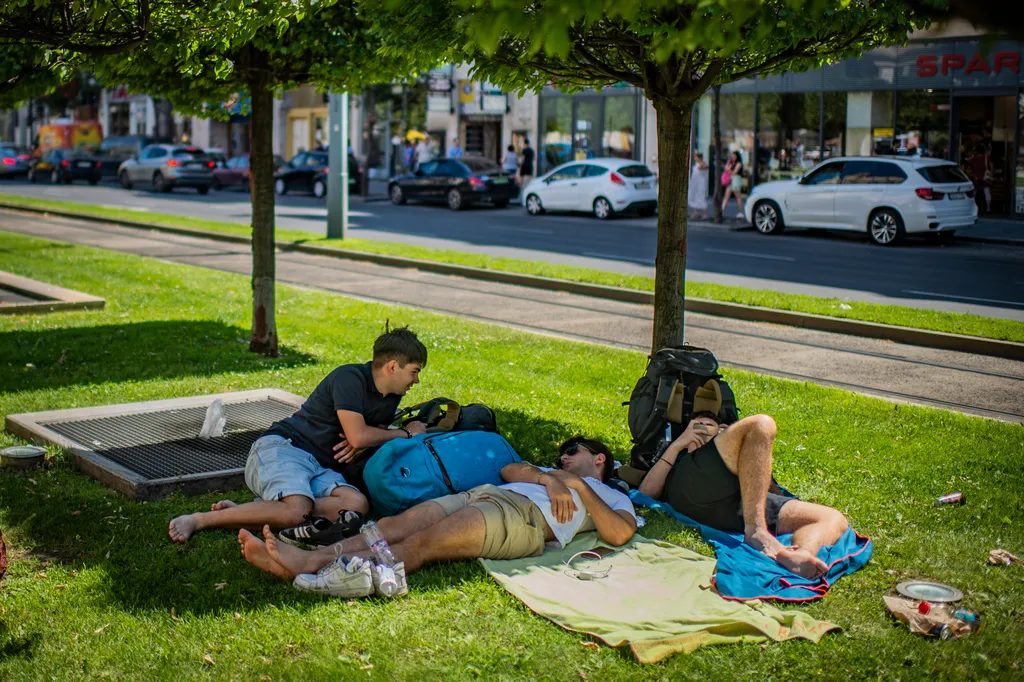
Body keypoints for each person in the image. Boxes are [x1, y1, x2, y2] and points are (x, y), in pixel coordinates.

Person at [238, 437, 638, 597]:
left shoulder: (610, 495)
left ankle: (308, 565)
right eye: (563, 454)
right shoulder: (551, 474)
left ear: (599, 458)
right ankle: (314, 561)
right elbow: (509, 471)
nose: (565, 457)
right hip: (489, 494)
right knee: (392, 526)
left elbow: (620, 533)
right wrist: (551, 479)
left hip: (522, 519)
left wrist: (580, 488)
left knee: (421, 544)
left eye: (574, 451)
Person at [168, 325, 429, 544]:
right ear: (393, 366)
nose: (416, 381)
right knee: (296, 511)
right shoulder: (349, 378)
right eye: (414, 371)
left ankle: (255, 511)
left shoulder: (391, 396)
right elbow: (359, 437)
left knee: (356, 504)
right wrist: (403, 434)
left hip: (319, 467)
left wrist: (367, 437)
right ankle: (200, 519)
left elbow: (366, 437)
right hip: (286, 448)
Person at [637, 409, 848, 579]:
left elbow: (772, 491)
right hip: (694, 489)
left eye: (708, 426)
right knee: (762, 424)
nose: (702, 430)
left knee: (833, 518)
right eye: (696, 426)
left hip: (737, 503)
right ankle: (756, 532)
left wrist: (741, 448)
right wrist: (679, 444)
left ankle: (801, 555)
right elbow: (645, 493)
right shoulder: (682, 460)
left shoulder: (726, 449)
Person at [721, 151, 745, 219]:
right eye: (732, 156)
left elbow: (734, 172)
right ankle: (721, 211)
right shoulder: (731, 162)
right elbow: (727, 168)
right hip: (730, 180)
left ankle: (741, 213)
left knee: (738, 197)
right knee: (726, 196)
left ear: (737, 156)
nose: (732, 157)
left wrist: (728, 170)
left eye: (734, 156)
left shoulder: (739, 163)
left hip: (736, 180)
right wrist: (728, 165)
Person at [688, 152, 709, 220]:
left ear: (699, 157)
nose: (695, 158)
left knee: (701, 197)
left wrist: (701, 164)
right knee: (693, 197)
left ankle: (705, 214)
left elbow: (703, 167)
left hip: (701, 184)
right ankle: (695, 213)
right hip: (695, 184)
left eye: (696, 157)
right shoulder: (696, 164)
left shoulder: (704, 164)